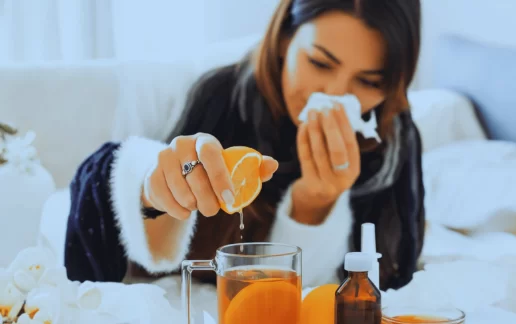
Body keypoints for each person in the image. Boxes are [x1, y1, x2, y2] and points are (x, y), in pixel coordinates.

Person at [65, 0, 424, 291]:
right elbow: (149, 243)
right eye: (319, 63)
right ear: (285, 38)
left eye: (368, 81)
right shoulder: (219, 99)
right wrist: (156, 191)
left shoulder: (393, 140)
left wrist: (315, 203)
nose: (335, 94)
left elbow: (381, 278)